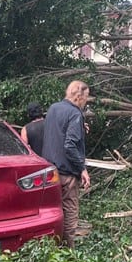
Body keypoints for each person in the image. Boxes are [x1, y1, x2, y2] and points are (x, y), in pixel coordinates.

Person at [42, 80, 91, 248]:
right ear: (79, 97)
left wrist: (79, 128)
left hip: (50, 172)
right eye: (86, 97)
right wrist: (82, 169)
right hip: (68, 174)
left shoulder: (53, 108)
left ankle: (52, 249)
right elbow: (69, 145)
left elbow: (58, 131)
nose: (86, 101)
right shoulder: (75, 114)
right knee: (70, 213)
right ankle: (68, 254)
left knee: (53, 212)